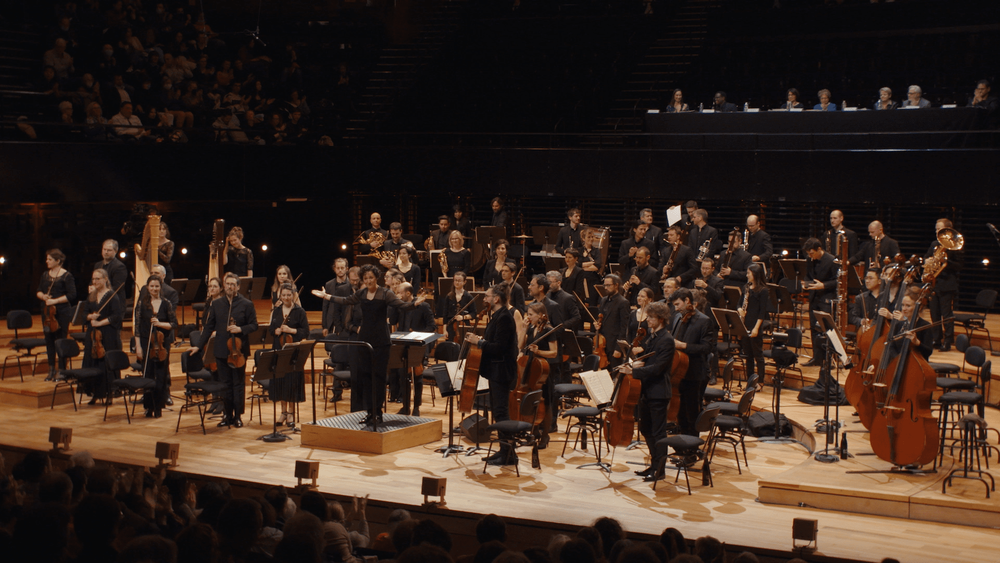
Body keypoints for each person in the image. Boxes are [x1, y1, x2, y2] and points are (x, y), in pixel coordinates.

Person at [314, 264, 424, 425]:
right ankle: (370, 412)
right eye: (365, 278)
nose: (368, 281)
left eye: (371, 277)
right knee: (366, 377)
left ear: (376, 278)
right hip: (365, 340)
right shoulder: (362, 293)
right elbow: (345, 301)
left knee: (379, 377)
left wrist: (415, 304)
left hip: (381, 341)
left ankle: (378, 412)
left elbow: (401, 305)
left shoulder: (385, 293)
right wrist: (326, 296)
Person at [191, 273, 258, 428]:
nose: (230, 287)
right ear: (224, 286)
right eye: (227, 284)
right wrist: (198, 345)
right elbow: (209, 327)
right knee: (225, 384)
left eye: (233, 284)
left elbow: (254, 325)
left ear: (238, 287)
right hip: (221, 350)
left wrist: (240, 329)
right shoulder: (217, 304)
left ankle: (238, 416)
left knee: (238, 384)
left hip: (238, 351)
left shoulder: (246, 304)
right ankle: (227, 415)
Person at [465, 282, 518, 465]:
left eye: (487, 296)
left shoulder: (504, 318)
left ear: (496, 299)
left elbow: (500, 347)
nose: (485, 299)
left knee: (501, 412)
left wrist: (479, 342)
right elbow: (494, 341)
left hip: (501, 371)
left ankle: (509, 454)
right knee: (497, 411)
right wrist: (481, 340)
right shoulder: (497, 316)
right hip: (496, 371)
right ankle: (504, 450)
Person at [622, 301, 675, 481]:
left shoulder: (666, 340)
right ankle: (653, 465)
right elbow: (648, 362)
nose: (648, 320)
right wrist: (637, 364)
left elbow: (658, 368)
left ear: (661, 319)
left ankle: (660, 470)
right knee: (645, 428)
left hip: (658, 392)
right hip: (647, 390)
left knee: (658, 432)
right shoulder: (652, 337)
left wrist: (633, 372)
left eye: (651, 317)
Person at [670, 288, 715, 436]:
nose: (676, 309)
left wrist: (684, 346)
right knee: (680, 413)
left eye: (678, 304)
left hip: (694, 373)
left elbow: (707, 348)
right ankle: (683, 442)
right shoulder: (678, 318)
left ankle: (693, 444)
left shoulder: (704, 320)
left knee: (692, 412)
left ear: (687, 301)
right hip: (677, 372)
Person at [518, 302, 559, 447]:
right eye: (527, 314)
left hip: (543, 370)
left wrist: (539, 351)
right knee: (532, 401)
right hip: (531, 368)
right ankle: (534, 433)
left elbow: (554, 353)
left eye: (531, 314)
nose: (528, 317)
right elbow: (521, 345)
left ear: (541, 315)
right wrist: (524, 328)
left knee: (545, 403)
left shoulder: (549, 330)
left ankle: (545, 435)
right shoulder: (531, 328)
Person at [135, 275, 177, 418]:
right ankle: (149, 407)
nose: (154, 289)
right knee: (148, 375)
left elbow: (173, 324)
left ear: (160, 287)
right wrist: (138, 347)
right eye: (152, 286)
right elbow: (137, 327)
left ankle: (158, 407)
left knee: (160, 376)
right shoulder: (142, 304)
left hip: (162, 344)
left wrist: (159, 324)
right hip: (146, 342)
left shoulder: (166, 303)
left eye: (157, 286)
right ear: (147, 287)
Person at [269, 282, 309, 426]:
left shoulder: (299, 311)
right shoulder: (276, 311)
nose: (286, 298)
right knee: (280, 382)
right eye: (283, 295)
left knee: (291, 382)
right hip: (279, 350)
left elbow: (306, 332)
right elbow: (270, 330)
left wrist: (291, 330)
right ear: (280, 296)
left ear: (293, 295)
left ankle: (291, 413)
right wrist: (276, 331)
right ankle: (283, 412)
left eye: (288, 295)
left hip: (293, 352)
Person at [81, 268, 123, 404]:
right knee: (92, 362)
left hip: (108, 334)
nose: (94, 281)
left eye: (97, 279)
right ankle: (95, 393)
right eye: (93, 279)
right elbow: (84, 314)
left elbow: (116, 316)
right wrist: (90, 316)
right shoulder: (91, 296)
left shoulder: (112, 296)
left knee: (105, 364)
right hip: (93, 335)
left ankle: (109, 393)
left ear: (105, 279)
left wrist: (99, 323)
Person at [394, 282, 435, 416]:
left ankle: (416, 407)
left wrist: (416, 334)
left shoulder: (423, 306)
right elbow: (393, 321)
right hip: (403, 345)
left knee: (417, 377)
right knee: (403, 377)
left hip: (417, 346)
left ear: (408, 293)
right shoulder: (400, 306)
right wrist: (395, 305)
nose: (398, 295)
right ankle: (405, 407)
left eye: (400, 293)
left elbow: (432, 327)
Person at [37, 249, 76, 381]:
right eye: (47, 259)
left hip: (62, 312)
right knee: (49, 340)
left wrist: (55, 301)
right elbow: (38, 290)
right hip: (47, 313)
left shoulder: (66, 276)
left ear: (58, 261)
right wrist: (43, 296)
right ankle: (51, 369)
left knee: (61, 340)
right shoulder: (45, 275)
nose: (47, 261)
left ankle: (62, 369)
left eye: (50, 259)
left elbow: (72, 295)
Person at [924, 218, 963, 351]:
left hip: (947, 284)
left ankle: (948, 341)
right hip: (934, 283)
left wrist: (945, 262)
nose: (936, 231)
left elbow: (959, 266)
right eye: (936, 229)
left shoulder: (954, 246)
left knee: (946, 315)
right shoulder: (934, 244)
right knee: (934, 314)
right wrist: (928, 261)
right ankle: (937, 339)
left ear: (947, 230)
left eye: (939, 229)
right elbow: (927, 257)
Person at [802, 238, 838, 367]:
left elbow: (838, 281)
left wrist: (823, 285)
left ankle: (829, 359)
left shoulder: (832, 260)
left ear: (819, 249)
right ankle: (817, 358)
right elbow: (808, 275)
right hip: (814, 297)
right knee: (814, 328)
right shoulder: (810, 260)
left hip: (827, 298)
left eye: (812, 253)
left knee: (826, 329)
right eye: (808, 254)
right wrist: (805, 283)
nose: (810, 256)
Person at [737, 264, 770, 382]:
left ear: (755, 274)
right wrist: (739, 309)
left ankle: (760, 381)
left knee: (758, 356)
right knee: (748, 356)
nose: (747, 275)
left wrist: (756, 328)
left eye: (748, 273)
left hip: (755, 324)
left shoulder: (763, 290)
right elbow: (739, 303)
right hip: (745, 323)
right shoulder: (746, 287)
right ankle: (750, 380)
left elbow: (762, 312)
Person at [883, 288, 934, 361]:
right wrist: (898, 359)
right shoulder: (899, 325)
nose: (904, 309)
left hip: (916, 364)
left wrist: (917, 343)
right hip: (897, 363)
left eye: (908, 306)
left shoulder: (925, 326)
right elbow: (891, 346)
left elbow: (928, 352)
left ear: (919, 307)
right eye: (903, 305)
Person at [596, 274, 629, 369]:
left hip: (614, 344)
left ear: (616, 285)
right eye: (605, 285)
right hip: (602, 343)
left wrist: (618, 349)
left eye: (608, 285)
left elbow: (624, 327)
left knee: (614, 372)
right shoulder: (603, 300)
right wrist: (597, 325)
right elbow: (600, 319)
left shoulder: (623, 302)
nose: (606, 288)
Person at [94, 239, 128, 309]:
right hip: (99, 303)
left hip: (114, 305)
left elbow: (117, 287)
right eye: (104, 249)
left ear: (115, 251)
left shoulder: (119, 266)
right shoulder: (97, 265)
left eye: (109, 250)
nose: (106, 252)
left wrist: (100, 290)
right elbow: (93, 281)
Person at [321, 258, 350, 337]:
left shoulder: (351, 284)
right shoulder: (329, 285)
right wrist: (325, 326)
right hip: (331, 323)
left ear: (347, 269)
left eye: (342, 268)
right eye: (338, 268)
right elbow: (325, 306)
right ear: (334, 269)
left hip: (346, 321)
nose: (340, 270)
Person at [444, 271, 476, 342]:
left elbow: (473, 313)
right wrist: (444, 330)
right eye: (455, 280)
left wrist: (463, 317)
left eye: (459, 281)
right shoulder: (449, 296)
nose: (457, 282)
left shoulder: (468, 297)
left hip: (464, 325)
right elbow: (445, 315)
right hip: (451, 327)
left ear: (464, 282)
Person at [579, 228, 604, 306]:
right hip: (581, 280)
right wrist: (591, 263)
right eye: (589, 237)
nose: (591, 239)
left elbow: (597, 266)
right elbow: (577, 265)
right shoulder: (579, 251)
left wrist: (583, 266)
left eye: (592, 237)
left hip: (593, 280)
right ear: (583, 238)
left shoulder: (596, 251)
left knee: (592, 303)